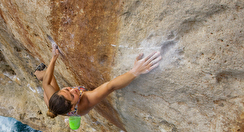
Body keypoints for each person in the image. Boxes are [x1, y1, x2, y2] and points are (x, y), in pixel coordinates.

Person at [34, 44, 162, 119]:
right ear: (73, 106)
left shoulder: (55, 98)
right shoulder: (87, 101)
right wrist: (135, 71)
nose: (74, 89)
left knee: (46, 78)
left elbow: (46, 83)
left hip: (56, 106)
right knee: (46, 78)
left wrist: (54, 58)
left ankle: (36, 73)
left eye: (67, 89)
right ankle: (37, 73)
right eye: (73, 95)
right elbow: (111, 86)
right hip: (68, 110)